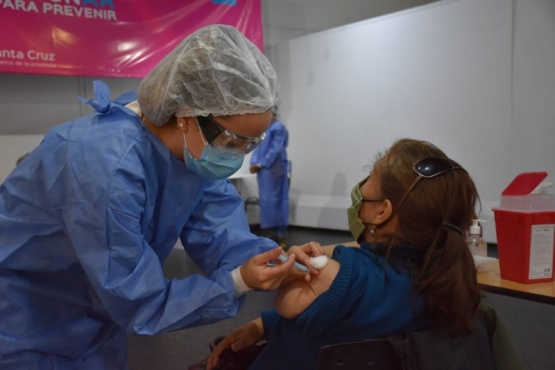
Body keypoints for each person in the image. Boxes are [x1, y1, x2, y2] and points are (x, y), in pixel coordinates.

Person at [0, 25, 321, 369]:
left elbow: (221, 232)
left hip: (96, 322)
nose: (238, 156)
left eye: (250, 144)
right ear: (186, 116)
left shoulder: (190, 152)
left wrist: (276, 259)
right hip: (27, 320)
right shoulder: (103, 167)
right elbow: (138, 299)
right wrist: (237, 282)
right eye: (232, 142)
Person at [207, 138, 485, 370]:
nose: (360, 189)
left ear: (382, 211)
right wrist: (263, 325)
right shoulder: (444, 277)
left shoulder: (342, 276)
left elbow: (287, 302)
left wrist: (292, 258)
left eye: (370, 177)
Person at [249, 108, 290, 248]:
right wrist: (254, 162)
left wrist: (261, 163)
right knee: (267, 202)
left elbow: (276, 148)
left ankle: (281, 235)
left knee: (277, 202)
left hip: (275, 169)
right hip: (264, 171)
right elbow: (256, 146)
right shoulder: (264, 129)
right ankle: (270, 236)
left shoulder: (278, 127)